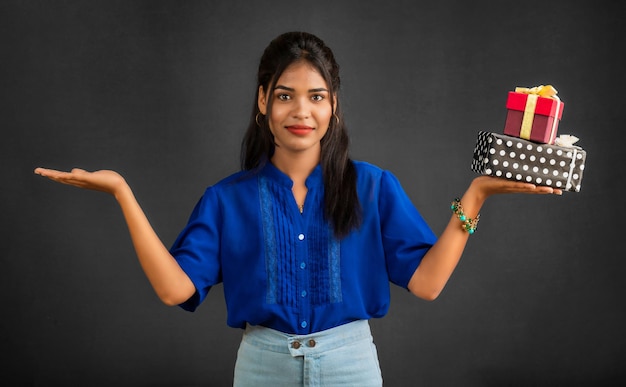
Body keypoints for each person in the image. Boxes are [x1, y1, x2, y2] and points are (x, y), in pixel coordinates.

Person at [34, 31, 561, 386]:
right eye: (285, 96)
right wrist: (124, 193)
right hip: (261, 367)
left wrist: (477, 195)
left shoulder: (373, 187)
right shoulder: (226, 199)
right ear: (262, 101)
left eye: (317, 96)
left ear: (333, 106)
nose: (301, 111)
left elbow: (425, 283)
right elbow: (176, 289)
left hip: (351, 364)